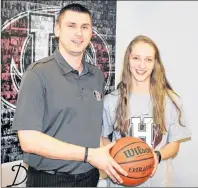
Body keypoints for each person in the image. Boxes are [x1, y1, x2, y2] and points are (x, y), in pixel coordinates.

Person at [12, 3, 127, 187]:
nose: (78, 33)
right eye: (71, 26)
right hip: (50, 180)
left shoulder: (97, 75)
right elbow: (28, 140)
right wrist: (89, 154)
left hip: (90, 177)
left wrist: (121, 156)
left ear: (91, 33)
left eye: (85, 27)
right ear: (57, 29)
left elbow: (90, 130)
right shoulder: (37, 74)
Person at [101, 35, 191, 187]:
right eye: (136, 58)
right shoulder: (111, 100)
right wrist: (114, 160)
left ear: (155, 63)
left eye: (148, 59)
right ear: (128, 60)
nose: (141, 65)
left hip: (158, 182)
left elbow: (174, 144)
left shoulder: (171, 100)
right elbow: (104, 138)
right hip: (121, 182)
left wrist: (156, 156)